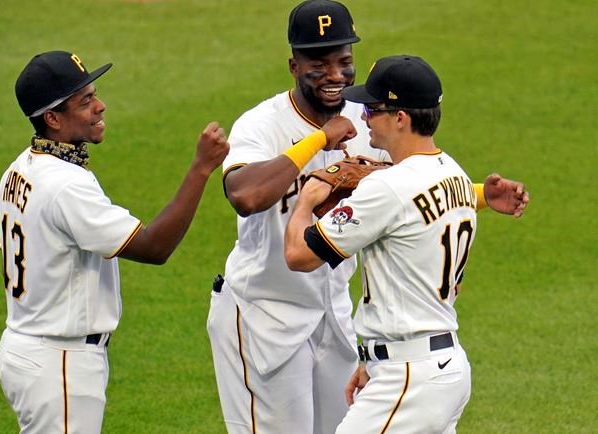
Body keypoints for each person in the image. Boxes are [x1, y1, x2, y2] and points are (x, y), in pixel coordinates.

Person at [207, 1, 528, 433]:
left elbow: (407, 195)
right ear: (293, 65)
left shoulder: (370, 117)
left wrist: (480, 196)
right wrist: (318, 140)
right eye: (318, 64)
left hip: (334, 314)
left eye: (344, 61)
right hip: (265, 311)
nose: (336, 75)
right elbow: (245, 196)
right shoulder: (262, 124)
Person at [284, 54, 525, 433]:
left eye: (372, 109)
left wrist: (308, 198)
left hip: (410, 376)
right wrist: (372, 361)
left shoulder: (388, 187)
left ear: (400, 117)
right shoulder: (456, 175)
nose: (364, 118)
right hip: (441, 365)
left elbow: (298, 256)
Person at [0, 50, 229, 434]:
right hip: (60, 361)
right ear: (53, 118)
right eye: (85, 102)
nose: (100, 107)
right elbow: (154, 247)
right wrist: (201, 168)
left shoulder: (19, 169)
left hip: (26, 349)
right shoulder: (65, 185)